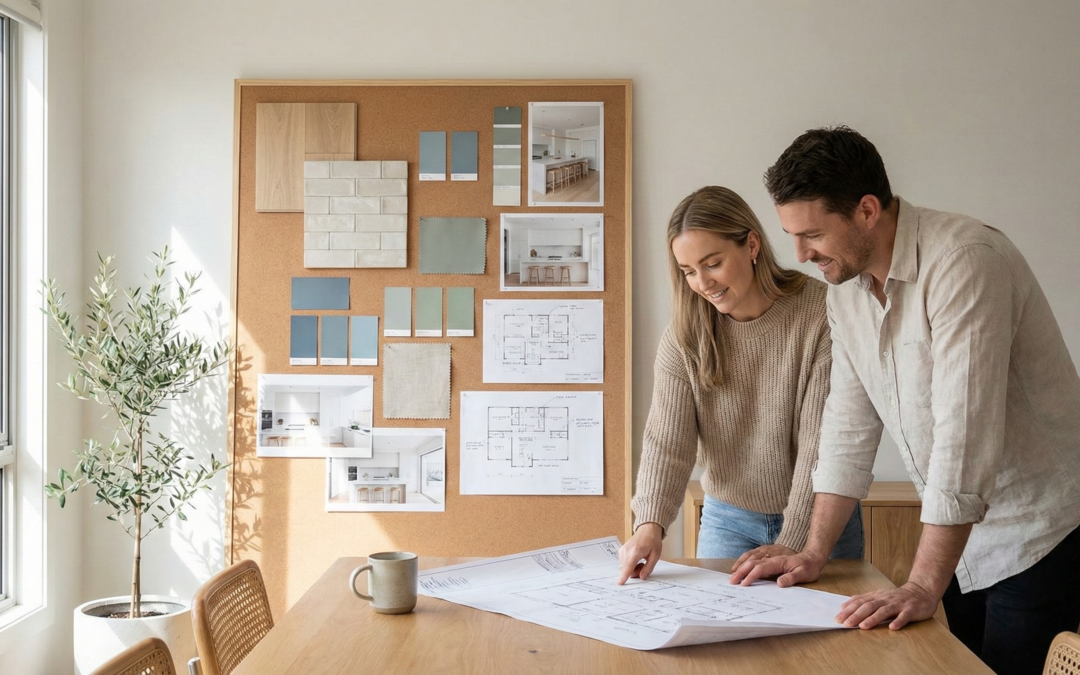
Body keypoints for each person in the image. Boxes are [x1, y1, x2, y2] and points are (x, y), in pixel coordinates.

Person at [729, 126, 1080, 675]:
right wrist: (813, 549)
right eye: (790, 235)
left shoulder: (964, 260)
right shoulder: (846, 292)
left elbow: (964, 433)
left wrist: (920, 584)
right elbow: (846, 425)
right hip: (962, 540)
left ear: (867, 210)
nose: (799, 254)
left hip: (1039, 536)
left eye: (813, 234)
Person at [617, 185, 864, 585]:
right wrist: (649, 524)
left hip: (821, 521)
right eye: (688, 272)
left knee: (820, 646)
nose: (702, 283)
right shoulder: (685, 336)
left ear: (751, 245)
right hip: (727, 518)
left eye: (712, 263)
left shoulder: (822, 315)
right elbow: (667, 440)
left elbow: (821, 446)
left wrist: (797, 540)